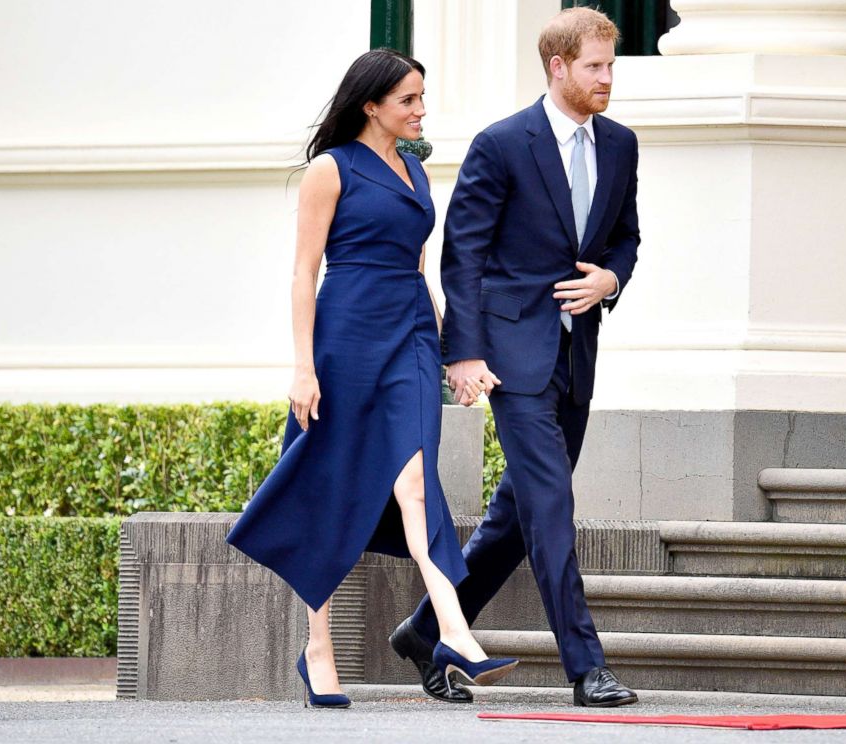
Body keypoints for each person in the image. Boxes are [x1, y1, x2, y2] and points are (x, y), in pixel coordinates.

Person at [224, 48, 517, 709]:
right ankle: (318, 646)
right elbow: (304, 272)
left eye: (422, 97)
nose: (421, 109)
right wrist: (302, 366)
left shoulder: (417, 171)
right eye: (409, 99)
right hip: (346, 335)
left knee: (416, 481)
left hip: (410, 332)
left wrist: (453, 354)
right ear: (371, 105)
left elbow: (419, 268)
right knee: (326, 486)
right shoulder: (330, 171)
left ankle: (456, 634)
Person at [388, 8, 641, 707]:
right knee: (552, 504)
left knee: (515, 519)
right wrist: (462, 352)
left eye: (611, 66)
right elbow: (463, 254)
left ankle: (424, 632)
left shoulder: (620, 145)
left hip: (576, 353)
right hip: (511, 357)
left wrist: (610, 279)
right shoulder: (501, 143)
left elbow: (625, 237)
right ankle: (586, 667)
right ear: (558, 67)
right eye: (595, 66)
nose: (606, 78)